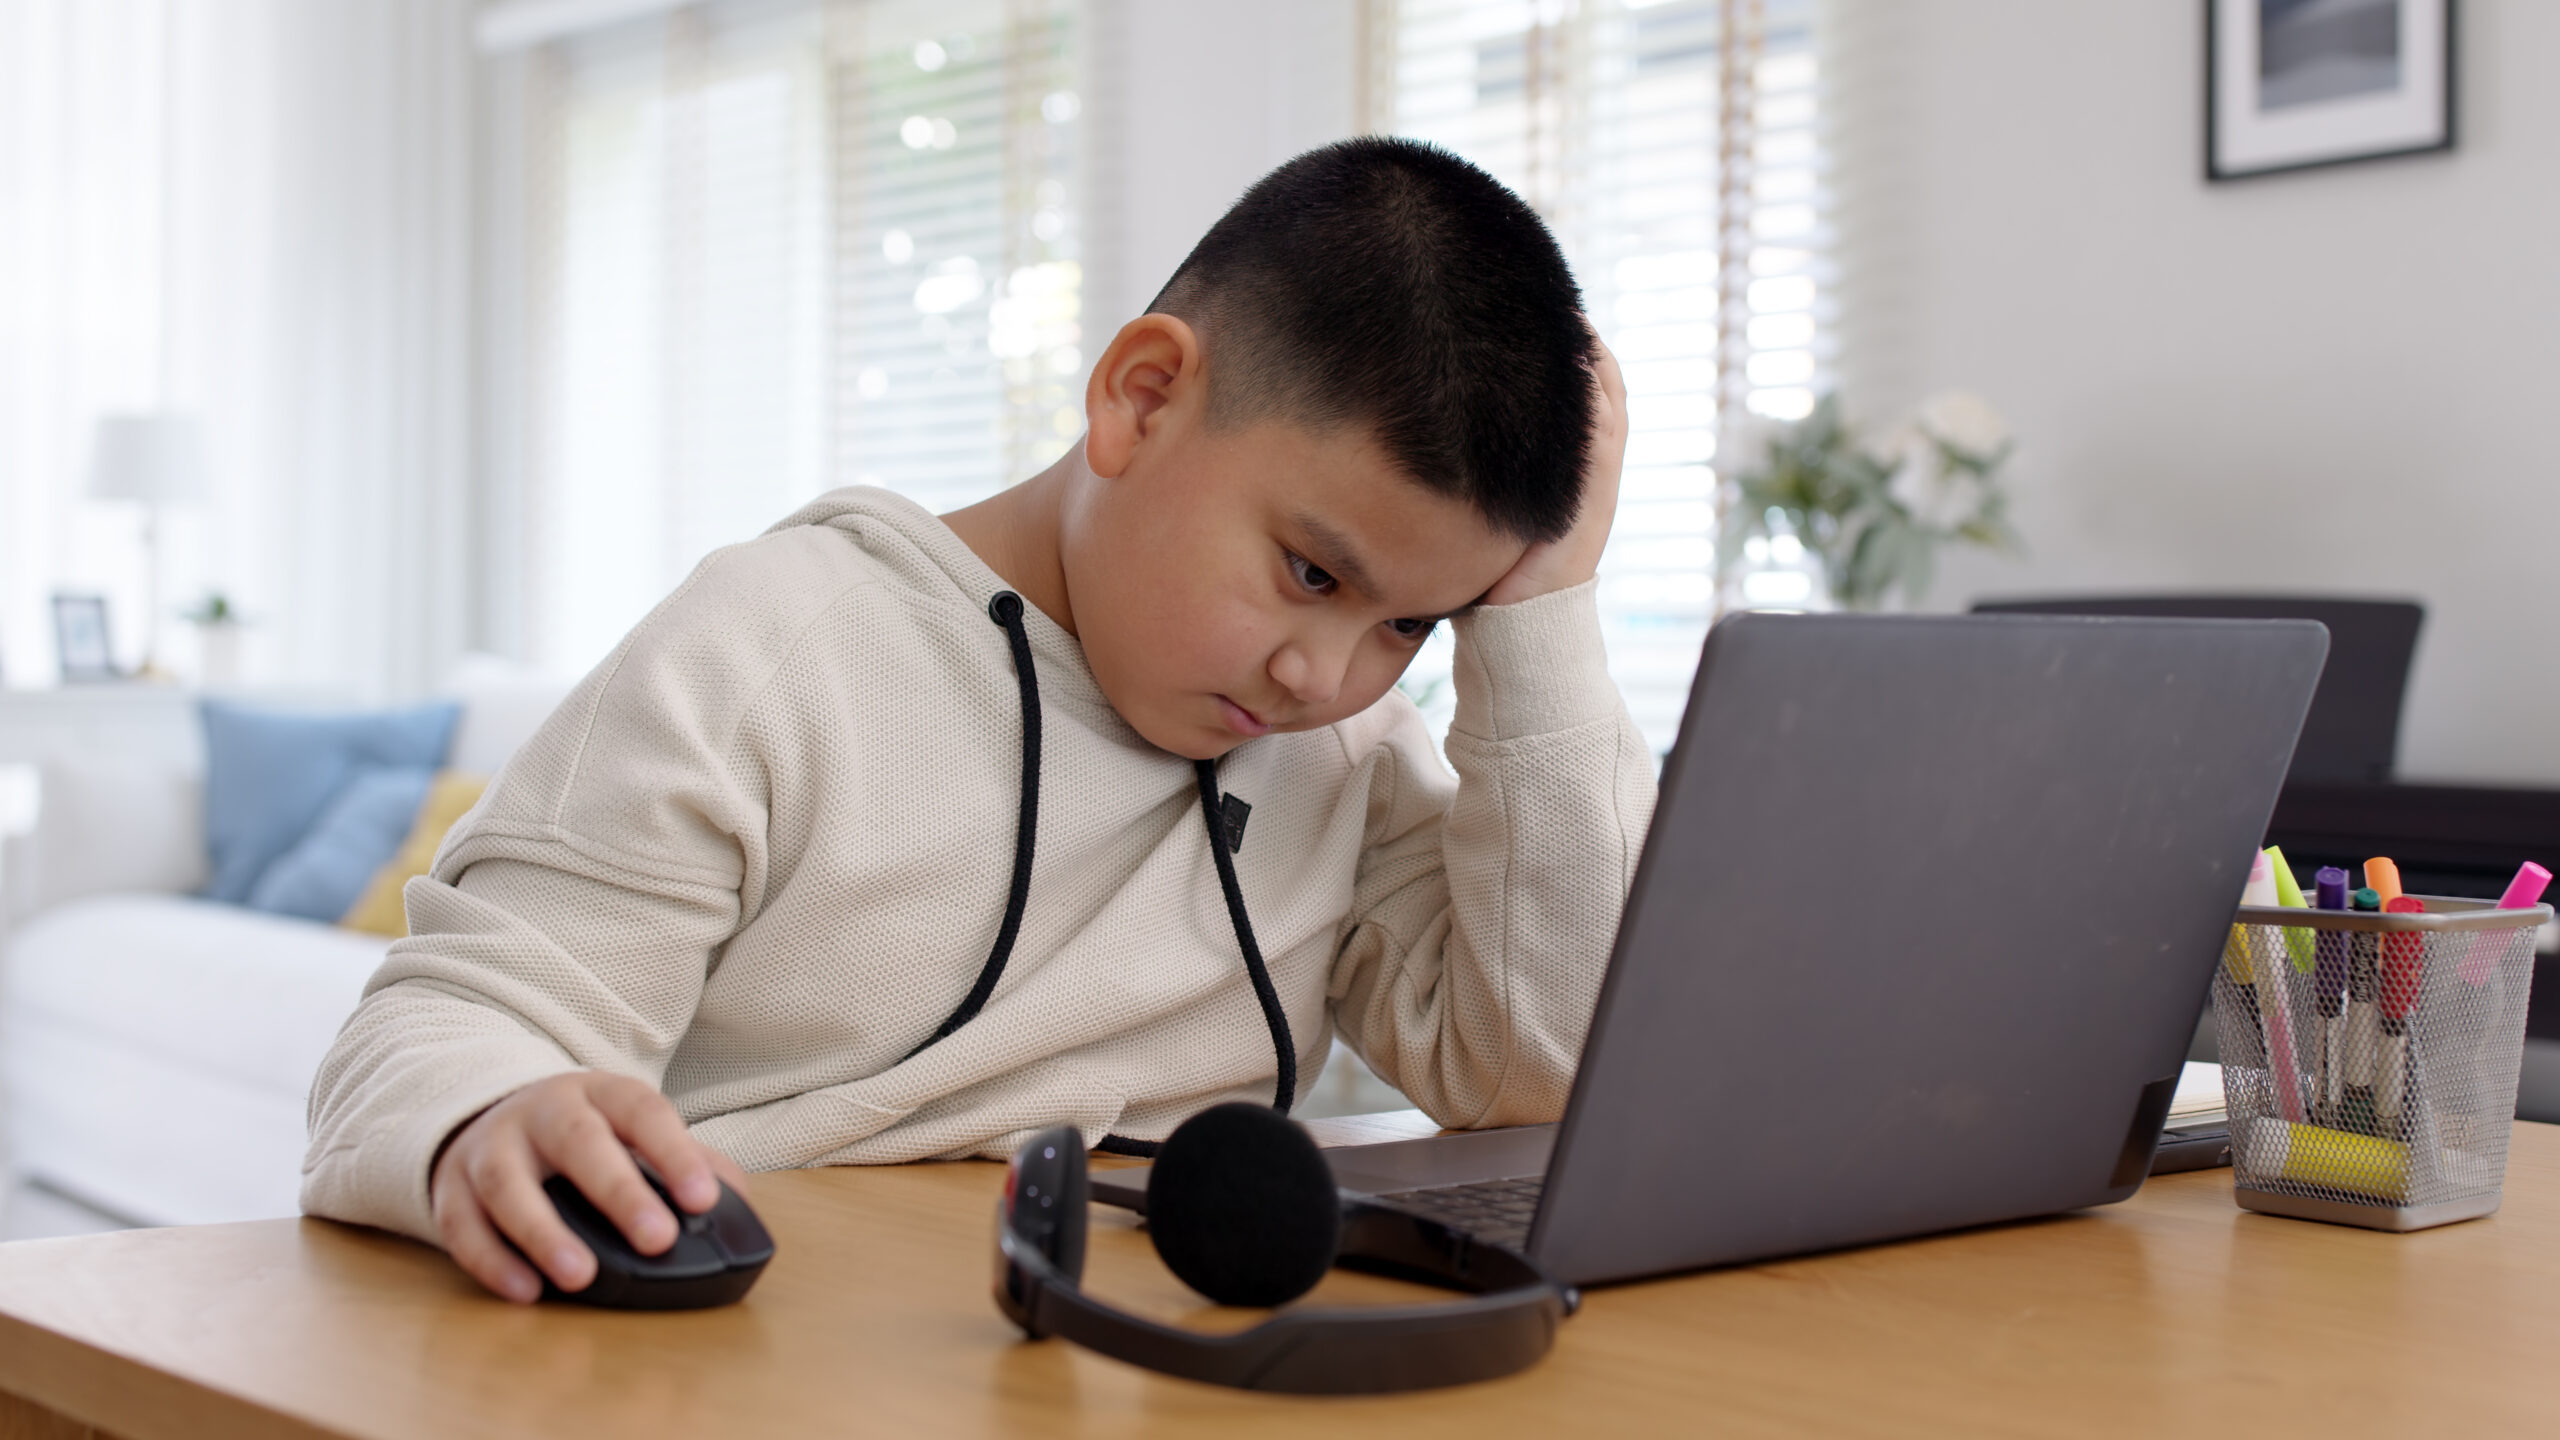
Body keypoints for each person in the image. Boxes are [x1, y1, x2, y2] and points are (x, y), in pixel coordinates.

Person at [303, 137, 1655, 1303]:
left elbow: (1542, 1079)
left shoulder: (1344, 755)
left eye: (1411, 625)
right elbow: (434, 1031)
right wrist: (489, 1113)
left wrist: (1540, 622)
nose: (1326, 673)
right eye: (1311, 573)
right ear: (1143, 397)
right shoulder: (776, 648)